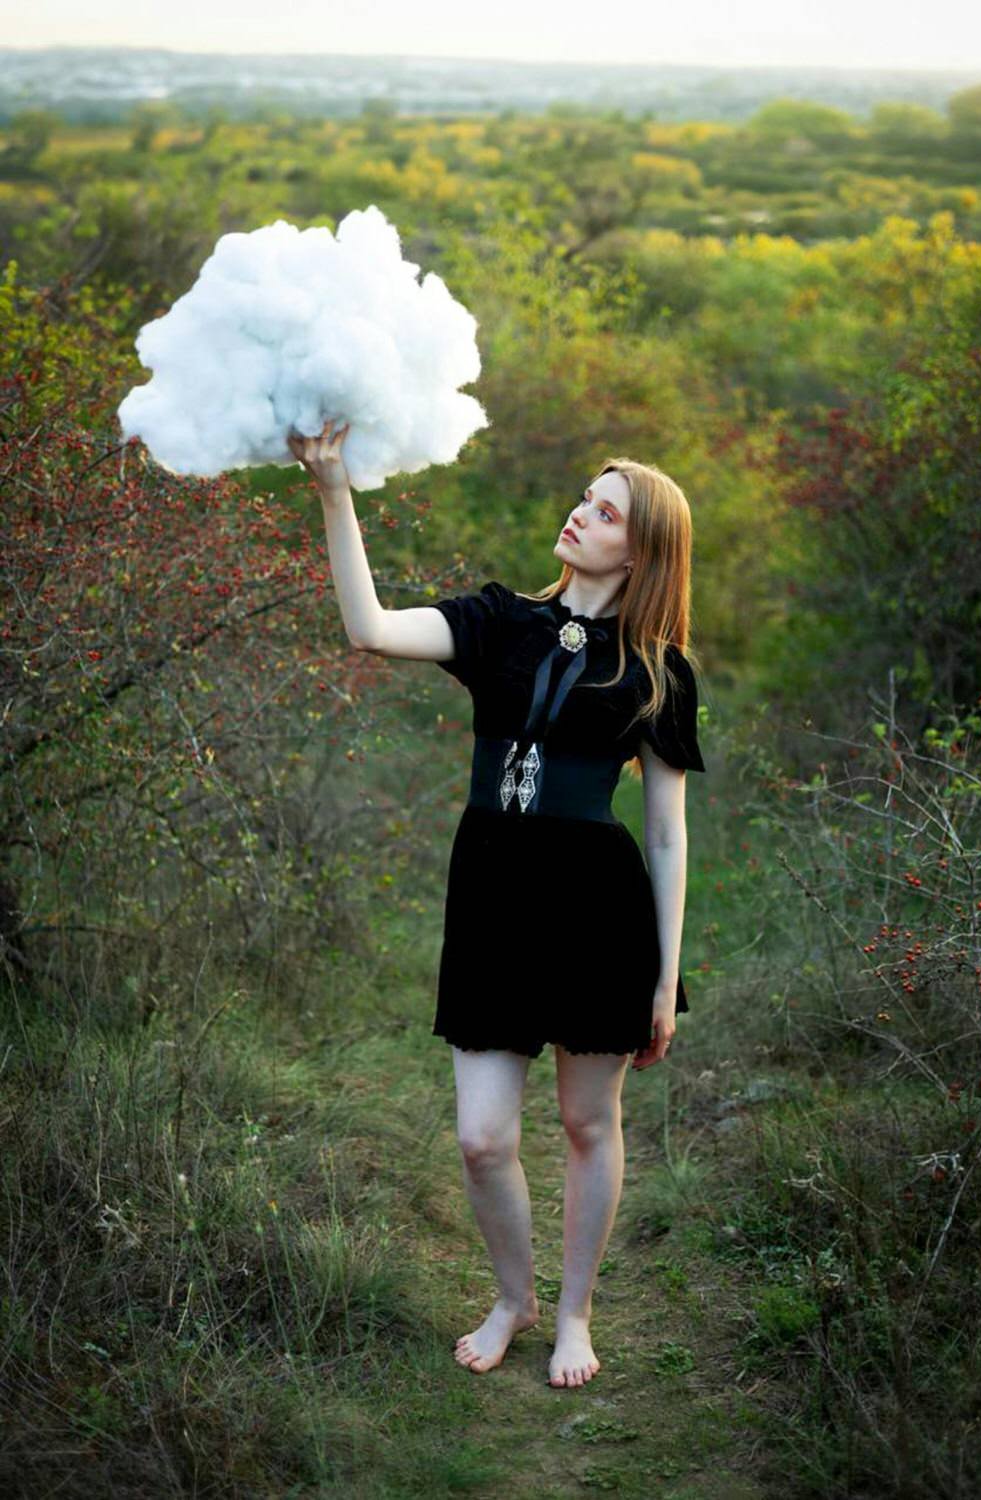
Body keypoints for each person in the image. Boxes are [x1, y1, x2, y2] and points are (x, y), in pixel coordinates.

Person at [289, 418, 706, 1390]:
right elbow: (370, 628)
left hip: (596, 906)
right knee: (481, 1137)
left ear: (639, 549)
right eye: (584, 496)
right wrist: (334, 493)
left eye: (605, 511)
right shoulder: (496, 621)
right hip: (492, 892)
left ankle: (571, 1312)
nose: (580, 513)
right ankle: (512, 1297)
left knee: (585, 1124)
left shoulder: (657, 670)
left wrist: (663, 974)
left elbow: (668, 830)